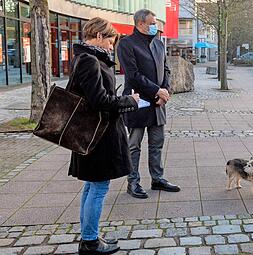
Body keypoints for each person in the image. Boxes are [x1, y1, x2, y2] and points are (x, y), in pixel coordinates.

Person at [68, 17, 140, 254]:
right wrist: (130, 101)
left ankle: (89, 237)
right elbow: (99, 100)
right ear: (99, 36)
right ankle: (90, 242)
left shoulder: (87, 58)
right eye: (111, 41)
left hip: (94, 133)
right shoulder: (89, 61)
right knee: (98, 187)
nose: (112, 46)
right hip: (98, 136)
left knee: (92, 186)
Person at [118, 9, 180, 199]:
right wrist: (156, 90)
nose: (156, 26)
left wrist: (165, 91)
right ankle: (133, 182)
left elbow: (166, 70)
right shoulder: (126, 44)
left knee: (157, 143)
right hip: (138, 102)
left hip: (158, 104)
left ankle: (157, 178)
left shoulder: (159, 44)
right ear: (140, 24)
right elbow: (133, 75)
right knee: (134, 145)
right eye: (152, 23)